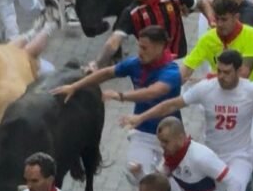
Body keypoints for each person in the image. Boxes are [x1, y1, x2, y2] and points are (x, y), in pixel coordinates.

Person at [121, 49, 253, 191]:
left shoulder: (251, 89)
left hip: (239, 156)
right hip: (211, 154)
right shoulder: (206, 88)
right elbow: (171, 105)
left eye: (227, 72)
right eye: (219, 71)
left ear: (239, 71)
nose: (221, 77)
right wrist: (141, 117)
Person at [52, 25, 182, 181]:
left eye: (144, 48)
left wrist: (120, 95)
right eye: (139, 46)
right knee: (135, 174)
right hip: (143, 131)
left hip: (171, 134)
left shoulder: (171, 72)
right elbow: (107, 73)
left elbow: (152, 92)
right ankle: (152, 181)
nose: (139, 52)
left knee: (174, 182)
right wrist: (74, 86)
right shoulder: (135, 64)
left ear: (159, 47)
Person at [96, 0, 209, 66]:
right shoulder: (131, 12)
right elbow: (113, 42)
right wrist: (97, 64)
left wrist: (211, 19)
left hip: (178, 63)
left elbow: (201, 4)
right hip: (151, 69)